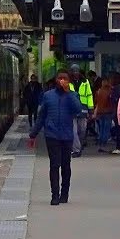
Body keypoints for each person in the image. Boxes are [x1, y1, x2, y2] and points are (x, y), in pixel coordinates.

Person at [29, 70, 85, 206]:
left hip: (67, 135)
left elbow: (78, 109)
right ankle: (55, 195)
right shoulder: (48, 96)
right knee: (54, 165)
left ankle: (64, 193)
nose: (62, 81)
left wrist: (68, 93)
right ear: (56, 80)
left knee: (66, 165)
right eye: (60, 78)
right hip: (52, 134)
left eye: (65, 79)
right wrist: (33, 134)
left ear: (69, 82)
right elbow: (41, 116)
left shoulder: (73, 95)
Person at [93, 75, 115, 153]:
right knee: (106, 129)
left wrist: (95, 112)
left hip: (100, 112)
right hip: (108, 112)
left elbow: (97, 103)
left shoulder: (98, 91)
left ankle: (100, 144)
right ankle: (103, 145)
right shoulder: (111, 91)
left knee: (102, 129)